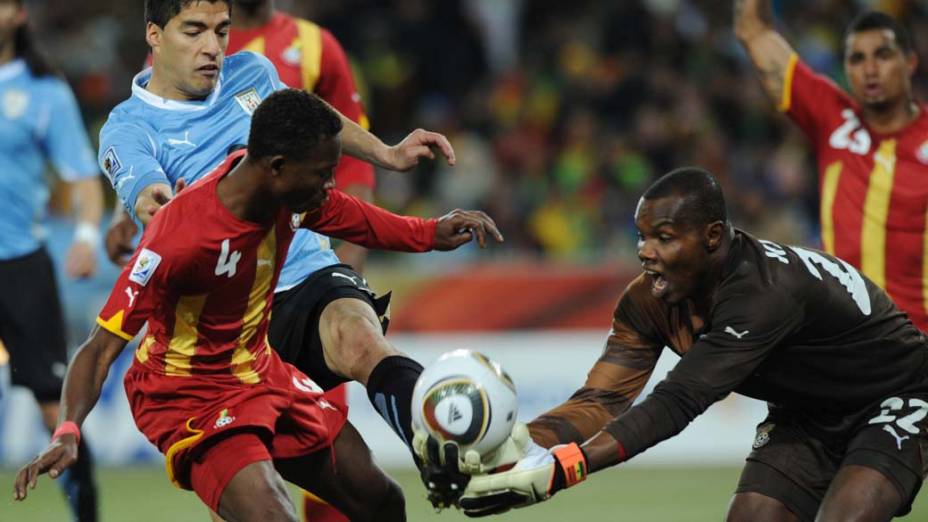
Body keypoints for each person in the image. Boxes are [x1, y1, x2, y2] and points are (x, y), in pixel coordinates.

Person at [13, 88, 502, 521]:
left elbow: (353, 217)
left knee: (381, 503)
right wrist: (68, 429)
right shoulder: (180, 238)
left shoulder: (292, 193)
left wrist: (429, 233)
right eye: (323, 173)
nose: (329, 185)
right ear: (277, 168)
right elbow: (100, 347)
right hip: (191, 394)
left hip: (261, 372)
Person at [99, 1, 489, 493]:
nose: (213, 47)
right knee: (273, 495)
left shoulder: (254, 74)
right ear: (155, 36)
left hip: (302, 268)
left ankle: (444, 457)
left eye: (221, 32)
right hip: (228, 322)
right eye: (195, 31)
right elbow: (147, 190)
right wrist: (146, 206)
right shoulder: (127, 126)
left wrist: (386, 154)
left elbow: (314, 119)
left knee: (360, 338)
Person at [431, 167, 928, 521]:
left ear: (712, 237)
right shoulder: (648, 301)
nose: (645, 252)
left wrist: (564, 468)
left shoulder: (763, 294)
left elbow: (678, 401)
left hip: (898, 395)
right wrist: (518, 446)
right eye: (642, 236)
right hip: (806, 413)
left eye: (664, 237)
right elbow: (601, 401)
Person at [226, 4, 372, 518]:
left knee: (324, 441)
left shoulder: (314, 45)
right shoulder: (198, 46)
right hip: (229, 282)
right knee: (236, 451)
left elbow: (349, 151)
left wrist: (347, 252)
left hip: (303, 271)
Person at [734, 1, 928, 333]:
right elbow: (752, 30)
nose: (869, 69)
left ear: (909, 63)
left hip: (915, 343)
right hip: (842, 338)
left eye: (882, 55)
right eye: (857, 58)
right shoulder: (833, 117)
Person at [0, 0, 102, 519]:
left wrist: (86, 233)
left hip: (19, 264)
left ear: (18, 14)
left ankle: (87, 515)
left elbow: (81, 174)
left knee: (53, 406)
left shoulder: (43, 92)